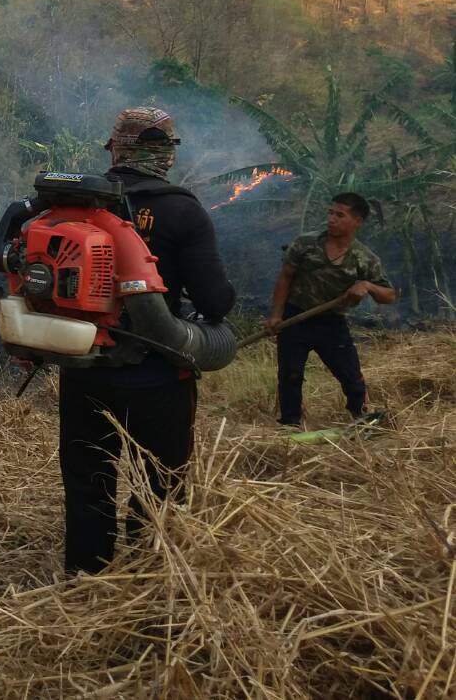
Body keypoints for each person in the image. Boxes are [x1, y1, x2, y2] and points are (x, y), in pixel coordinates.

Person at [59, 106, 237, 575]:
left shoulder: (74, 203)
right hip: (158, 375)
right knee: (160, 483)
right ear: (167, 154)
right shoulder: (181, 210)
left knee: (87, 482)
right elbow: (215, 301)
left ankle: (85, 578)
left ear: (115, 147)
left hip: (82, 367)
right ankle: (144, 579)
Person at [267, 193, 396, 427]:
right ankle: (290, 425)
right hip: (295, 317)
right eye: (330, 213)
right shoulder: (305, 243)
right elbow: (285, 278)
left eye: (340, 215)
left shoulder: (364, 259)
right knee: (290, 375)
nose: (331, 219)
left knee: (352, 378)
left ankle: (361, 417)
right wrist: (276, 315)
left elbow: (389, 295)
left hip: (331, 323)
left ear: (357, 221)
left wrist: (366, 285)